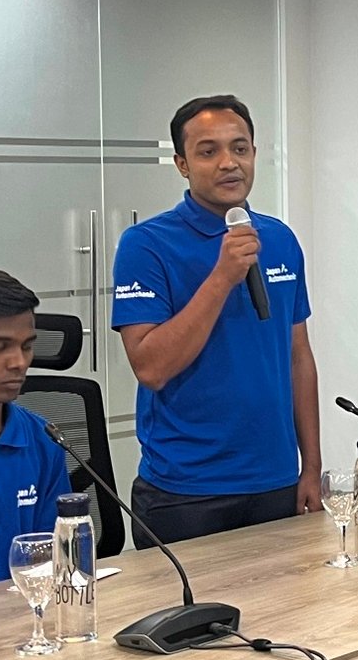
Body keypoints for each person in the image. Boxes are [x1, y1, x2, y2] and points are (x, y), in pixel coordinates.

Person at [112, 95, 321, 542]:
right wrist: (222, 276)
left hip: (276, 479)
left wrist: (311, 466)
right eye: (208, 151)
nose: (229, 163)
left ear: (254, 154)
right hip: (186, 490)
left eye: (240, 148)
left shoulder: (279, 238)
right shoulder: (145, 245)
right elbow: (151, 367)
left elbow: (298, 356)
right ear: (182, 165)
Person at [0, 269, 70, 588]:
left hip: (24, 612)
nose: (19, 362)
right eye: (0, 347)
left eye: (27, 346)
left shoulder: (43, 439)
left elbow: (51, 558)